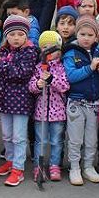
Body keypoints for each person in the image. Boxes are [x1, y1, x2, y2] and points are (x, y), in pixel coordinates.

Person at [0, 15, 40, 187]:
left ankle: (18, 169)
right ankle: (11, 160)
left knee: (19, 136)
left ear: (26, 35)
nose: (16, 38)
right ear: (6, 35)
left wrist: (1, 63)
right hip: (4, 100)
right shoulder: (3, 51)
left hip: (21, 102)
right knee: (7, 134)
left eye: (20, 34)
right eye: (12, 34)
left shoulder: (30, 51)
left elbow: (21, 74)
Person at [62, 16, 99, 186]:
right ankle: (74, 167)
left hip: (94, 103)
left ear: (95, 36)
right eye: (82, 34)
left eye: (90, 34)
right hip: (76, 102)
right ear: (76, 34)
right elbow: (71, 76)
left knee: (91, 138)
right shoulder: (71, 52)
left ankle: (88, 166)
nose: (86, 38)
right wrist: (90, 68)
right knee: (75, 138)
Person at [28, 31, 69, 182]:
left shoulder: (61, 67)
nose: (49, 51)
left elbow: (64, 86)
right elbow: (31, 87)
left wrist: (51, 79)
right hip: (41, 111)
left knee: (56, 141)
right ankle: (38, 166)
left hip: (58, 112)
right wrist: (38, 84)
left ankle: (54, 165)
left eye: (52, 48)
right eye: (45, 47)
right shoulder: (39, 67)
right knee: (41, 141)